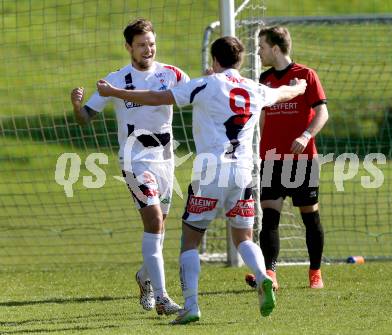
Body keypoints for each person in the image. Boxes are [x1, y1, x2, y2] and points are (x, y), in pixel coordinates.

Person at [96, 36, 307, 324]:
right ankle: (262, 276)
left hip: (211, 171)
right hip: (244, 172)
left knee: (190, 241)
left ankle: (192, 305)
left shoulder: (204, 85)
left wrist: (118, 93)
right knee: (244, 237)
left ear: (214, 61)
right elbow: (283, 93)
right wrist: (298, 87)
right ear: (240, 61)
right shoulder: (254, 88)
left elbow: (158, 97)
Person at [70, 18, 190, 315]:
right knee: (154, 222)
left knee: (159, 228)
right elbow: (86, 117)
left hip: (165, 161)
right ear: (128, 47)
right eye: (141, 45)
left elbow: (197, 95)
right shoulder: (116, 79)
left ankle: (144, 277)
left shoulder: (172, 74)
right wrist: (76, 106)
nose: (148, 49)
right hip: (134, 162)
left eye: (151, 43)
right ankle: (163, 298)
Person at [245, 26, 329, 290]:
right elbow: (260, 116)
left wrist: (305, 136)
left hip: (302, 161)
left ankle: (315, 272)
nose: (258, 52)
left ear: (275, 48)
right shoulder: (264, 78)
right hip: (271, 160)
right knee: (269, 217)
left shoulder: (306, 75)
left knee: (310, 217)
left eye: (261, 47)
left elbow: (322, 113)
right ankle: (270, 274)